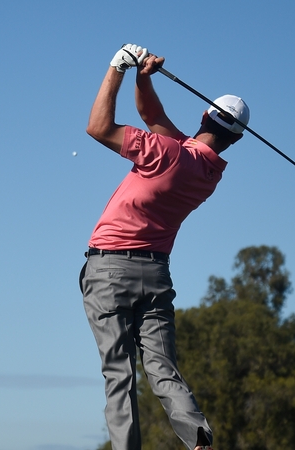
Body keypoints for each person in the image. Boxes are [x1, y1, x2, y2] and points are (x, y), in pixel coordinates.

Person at [79, 44, 249, 450]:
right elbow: (152, 117)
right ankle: (199, 440)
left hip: (109, 271)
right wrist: (144, 77)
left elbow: (98, 127)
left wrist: (117, 67)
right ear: (234, 141)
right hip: (155, 276)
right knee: (163, 369)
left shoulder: (167, 154)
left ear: (205, 115)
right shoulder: (207, 170)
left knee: (119, 374)